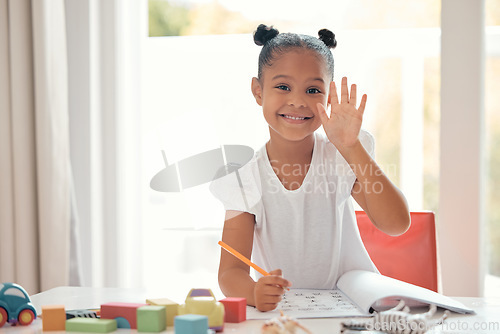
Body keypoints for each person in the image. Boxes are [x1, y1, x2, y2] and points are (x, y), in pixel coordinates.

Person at [210, 24, 410, 312]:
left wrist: (351, 147)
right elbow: (230, 271)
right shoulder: (244, 179)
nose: (298, 100)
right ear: (258, 91)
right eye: (283, 87)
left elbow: (396, 224)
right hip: (285, 312)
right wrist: (254, 292)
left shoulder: (342, 155)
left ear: (328, 97)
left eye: (313, 90)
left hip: (352, 306)